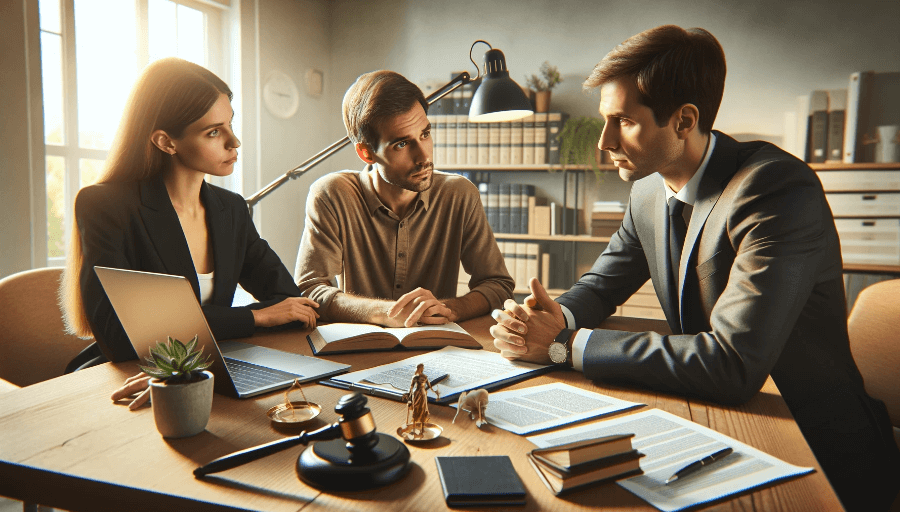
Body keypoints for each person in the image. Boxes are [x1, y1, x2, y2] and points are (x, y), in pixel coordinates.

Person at [490, 25, 899, 511]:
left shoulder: (775, 191)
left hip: (812, 446)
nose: (604, 141)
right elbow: (602, 285)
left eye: (622, 121)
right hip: (713, 420)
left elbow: (732, 363)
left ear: (684, 120)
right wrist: (553, 318)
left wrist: (562, 346)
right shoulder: (647, 189)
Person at [60, 58, 319, 406]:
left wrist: (268, 316)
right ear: (166, 142)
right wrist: (254, 317)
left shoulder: (231, 209)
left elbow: (291, 305)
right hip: (128, 378)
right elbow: (118, 332)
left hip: (209, 372)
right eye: (214, 132)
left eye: (230, 124)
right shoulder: (106, 205)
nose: (235, 142)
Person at [294, 70, 514, 327]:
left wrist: (450, 309)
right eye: (401, 144)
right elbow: (311, 290)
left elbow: (498, 286)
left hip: (437, 348)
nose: (424, 157)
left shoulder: (460, 194)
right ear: (366, 153)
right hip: (360, 349)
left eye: (425, 134)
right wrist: (385, 312)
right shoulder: (332, 195)